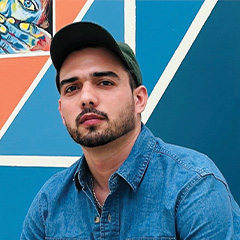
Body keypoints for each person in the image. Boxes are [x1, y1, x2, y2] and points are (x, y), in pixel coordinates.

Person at [21, 21, 240, 239]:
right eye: (72, 88)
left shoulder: (193, 185)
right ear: (61, 111)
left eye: (104, 82)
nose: (86, 98)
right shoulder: (48, 204)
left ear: (139, 99)